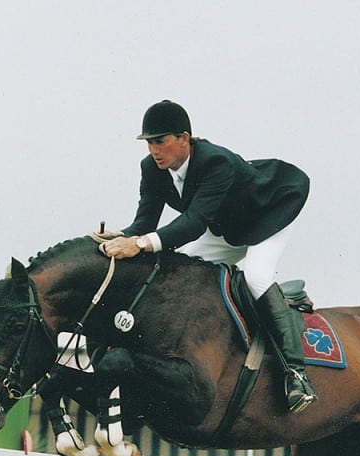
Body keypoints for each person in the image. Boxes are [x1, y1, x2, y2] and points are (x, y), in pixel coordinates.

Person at [103, 100, 316, 413]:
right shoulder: (151, 169)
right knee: (179, 269)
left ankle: (296, 374)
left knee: (256, 277)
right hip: (225, 229)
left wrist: (141, 243)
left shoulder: (215, 162)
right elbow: (144, 224)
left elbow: (192, 223)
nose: (154, 151)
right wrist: (123, 237)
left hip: (268, 216)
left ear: (184, 138)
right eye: (149, 143)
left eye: (160, 141)